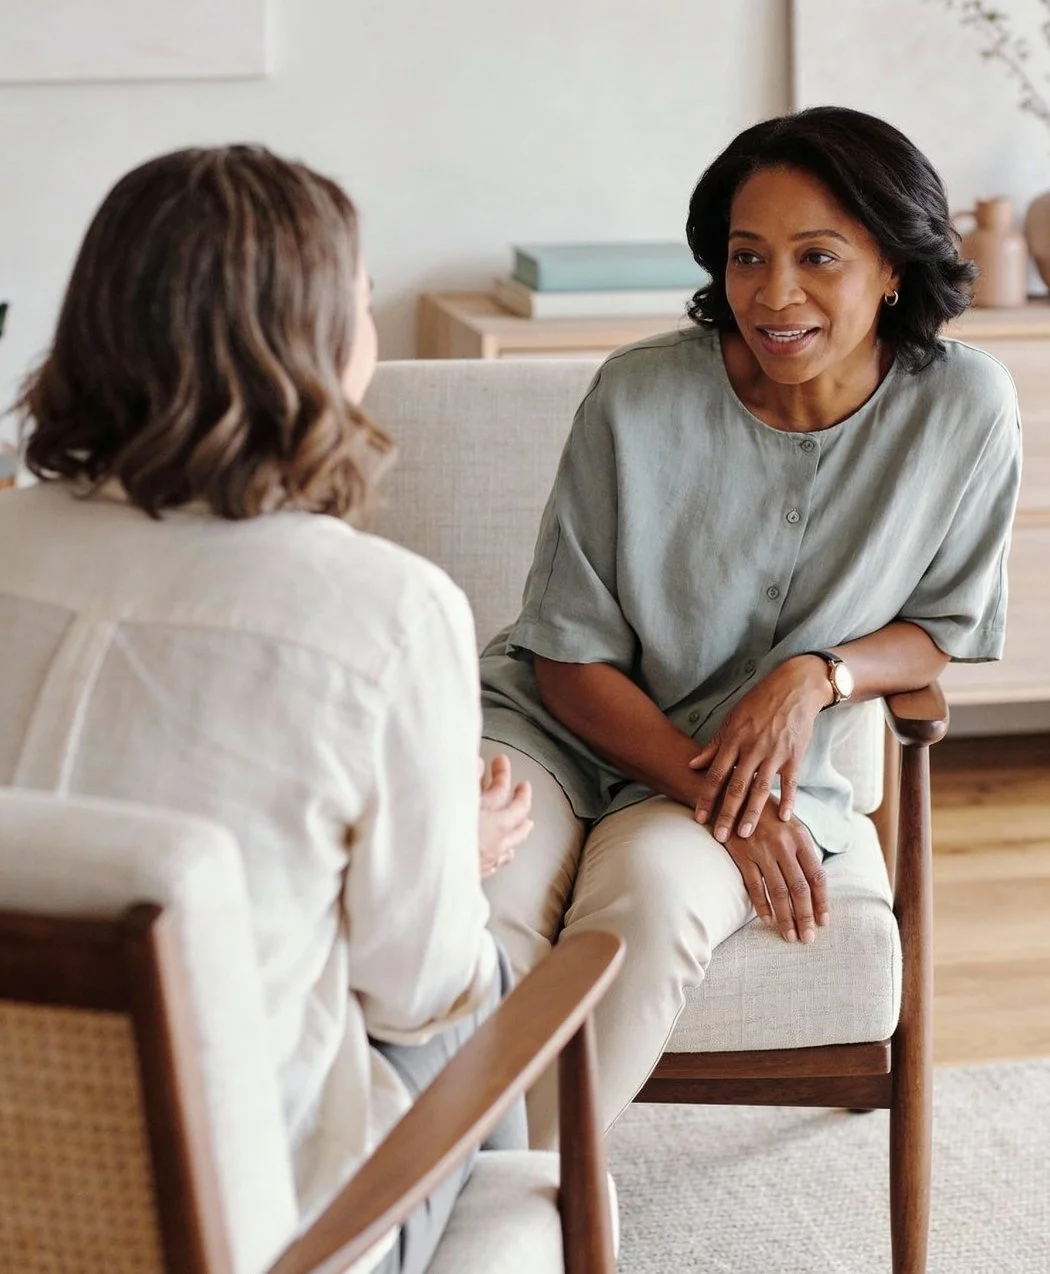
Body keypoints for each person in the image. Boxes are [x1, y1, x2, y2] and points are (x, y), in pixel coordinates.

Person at [0, 145, 532, 1274]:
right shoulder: (385, 614)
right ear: (315, 346)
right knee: (489, 991)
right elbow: (416, 986)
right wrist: (457, 852)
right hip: (258, 1230)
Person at [479, 105, 1022, 1148]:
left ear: (895, 267)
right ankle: (396, 1196)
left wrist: (817, 673)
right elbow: (565, 653)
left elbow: (941, 624)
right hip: (559, 732)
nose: (774, 295)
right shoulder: (637, 394)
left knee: (648, 903)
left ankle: (512, 1206)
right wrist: (713, 788)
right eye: (746, 257)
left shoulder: (965, 408)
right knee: (480, 897)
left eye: (818, 256)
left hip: (753, 773)